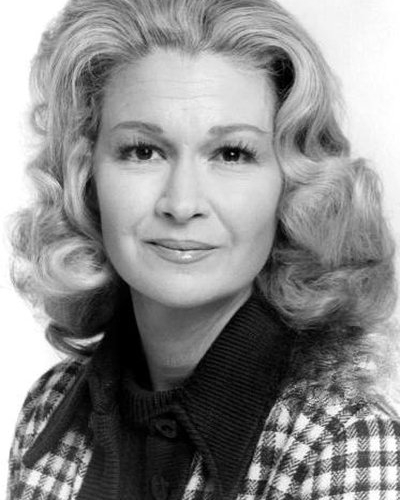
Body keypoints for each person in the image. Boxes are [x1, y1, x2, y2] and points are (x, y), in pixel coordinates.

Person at [7, 0, 400, 498]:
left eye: (232, 154)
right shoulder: (49, 408)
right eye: (142, 151)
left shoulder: (341, 442)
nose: (182, 203)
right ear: (86, 176)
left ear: (295, 187)